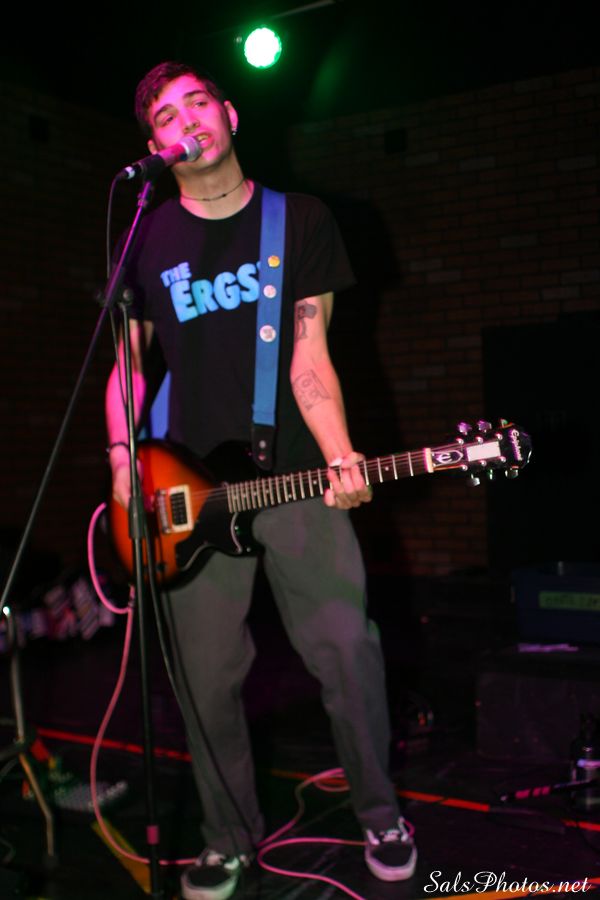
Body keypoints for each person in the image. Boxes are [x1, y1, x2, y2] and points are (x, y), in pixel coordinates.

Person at [105, 60, 416, 900]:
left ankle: (381, 813)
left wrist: (340, 452)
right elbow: (127, 365)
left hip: (294, 477)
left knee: (346, 648)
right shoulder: (145, 239)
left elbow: (310, 353)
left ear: (230, 114)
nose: (186, 120)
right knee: (205, 678)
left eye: (197, 101)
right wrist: (124, 459)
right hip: (187, 491)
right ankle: (228, 836)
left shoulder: (297, 219)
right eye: (166, 116)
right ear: (154, 144)